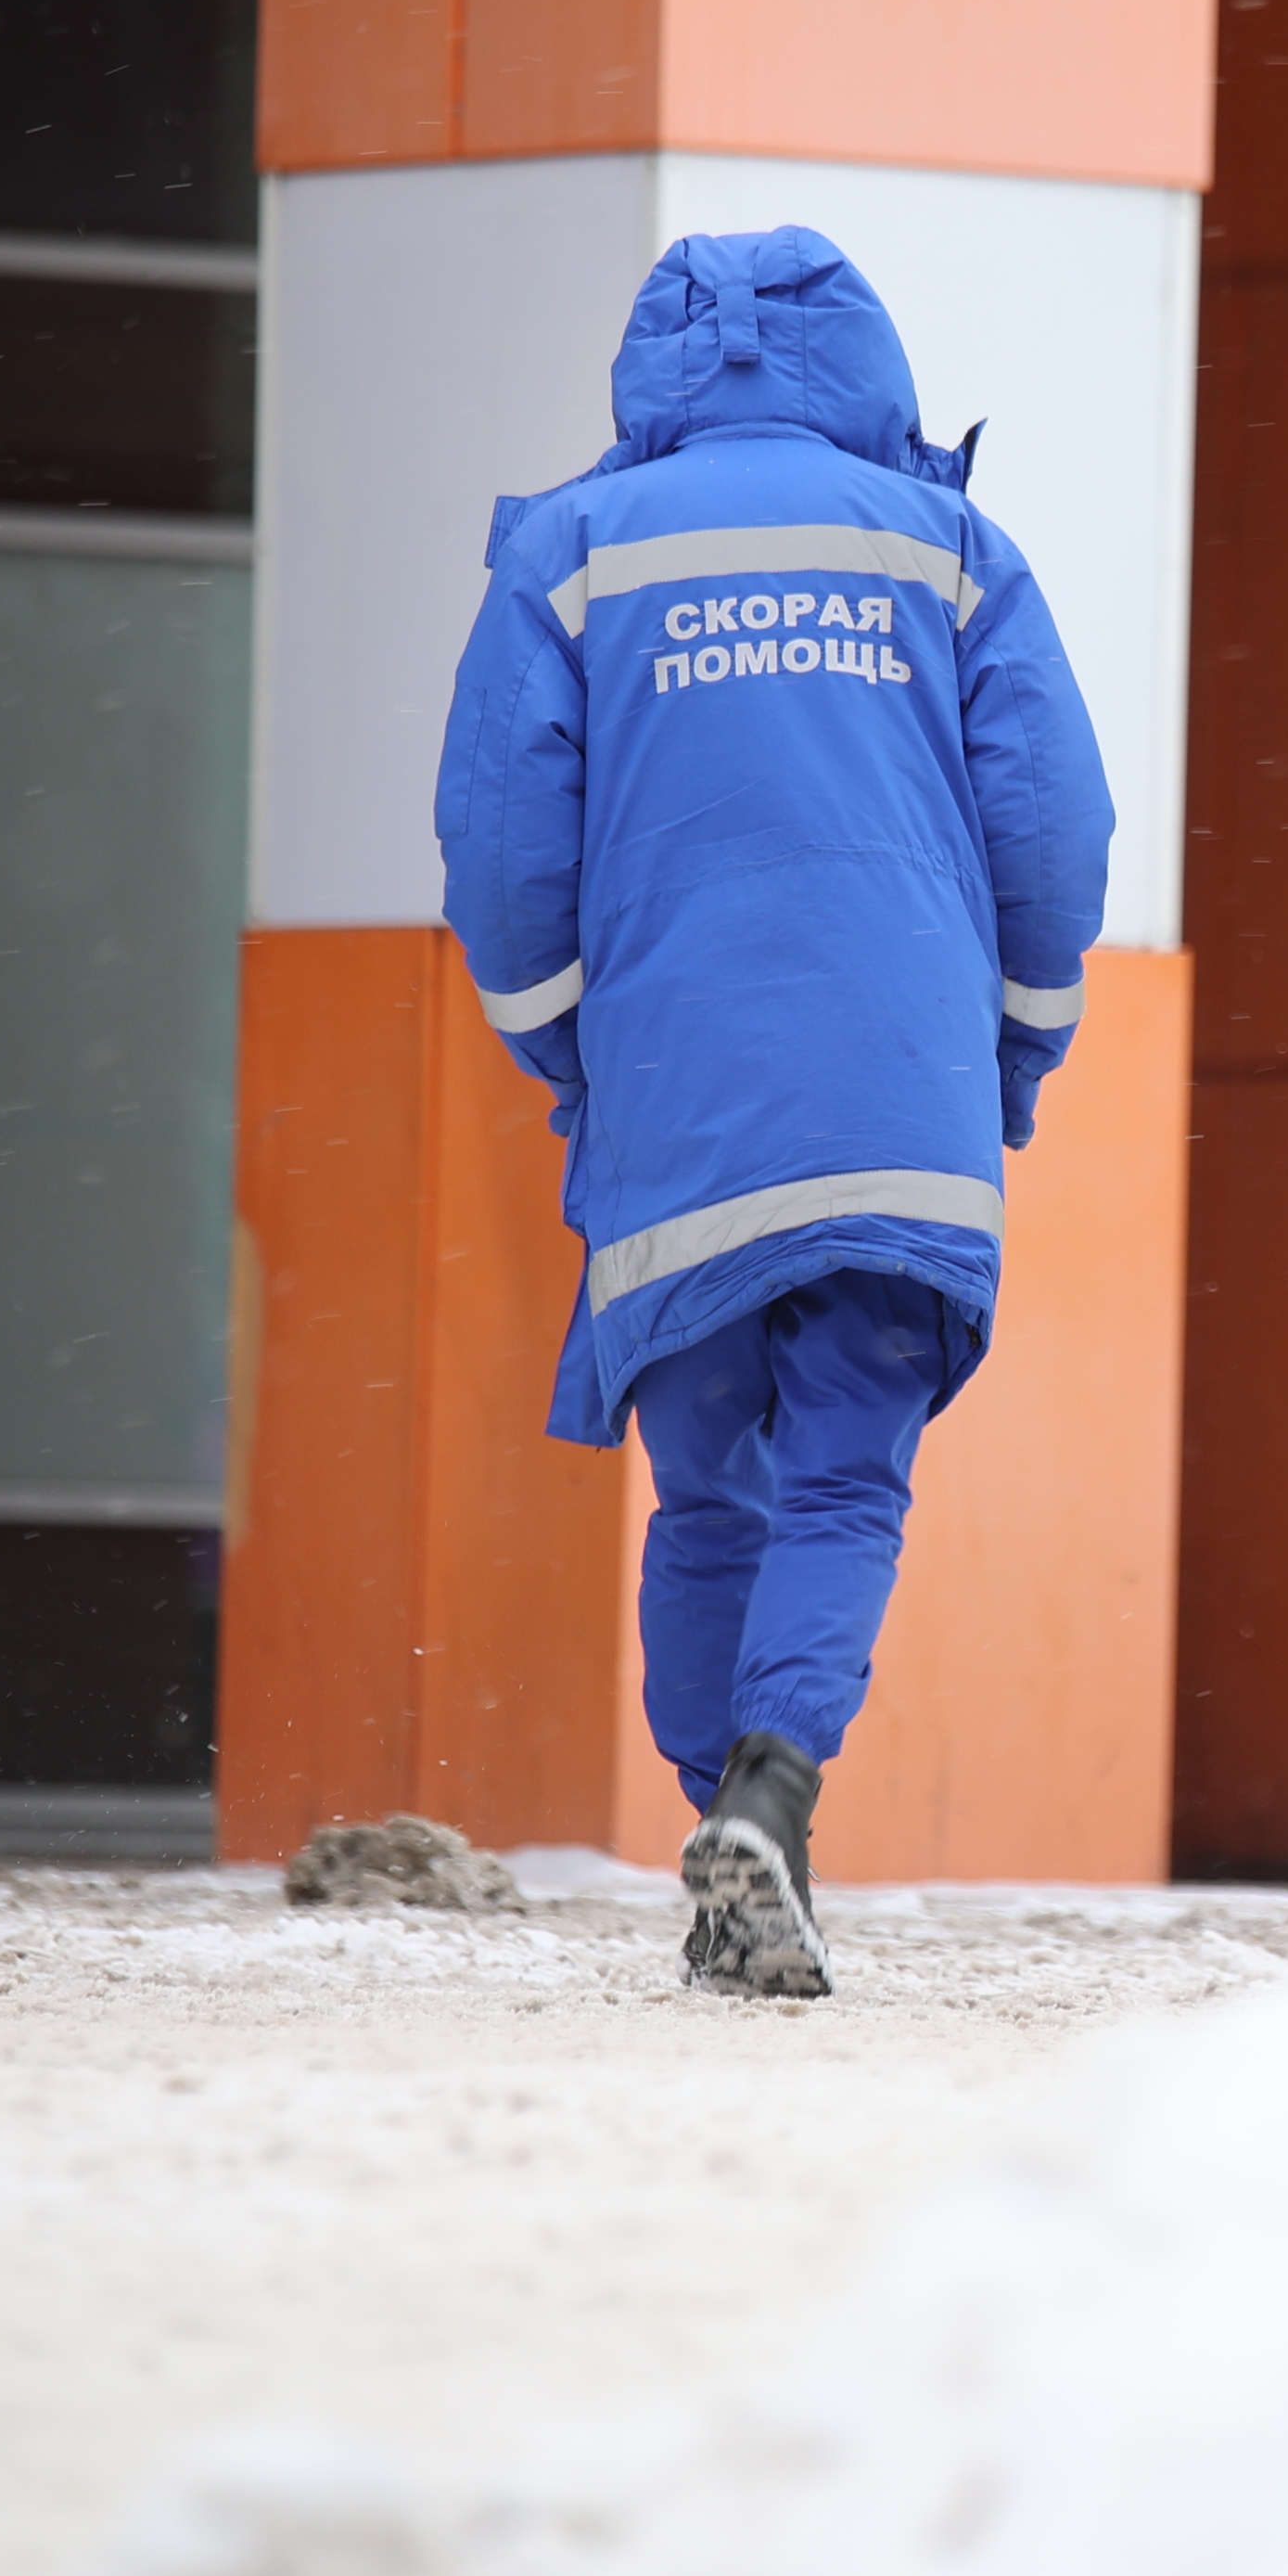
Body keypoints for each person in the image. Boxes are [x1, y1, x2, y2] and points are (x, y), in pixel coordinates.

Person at [435, 228, 1110, 1998]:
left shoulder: (574, 552)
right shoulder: (950, 552)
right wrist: (1015, 1048)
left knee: (709, 1501)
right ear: (865, 363)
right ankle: (774, 1793)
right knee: (845, 1480)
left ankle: (724, 1831)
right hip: (900, 1093)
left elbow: (498, 851)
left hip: (679, 1101)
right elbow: (1055, 831)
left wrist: (574, 1048)